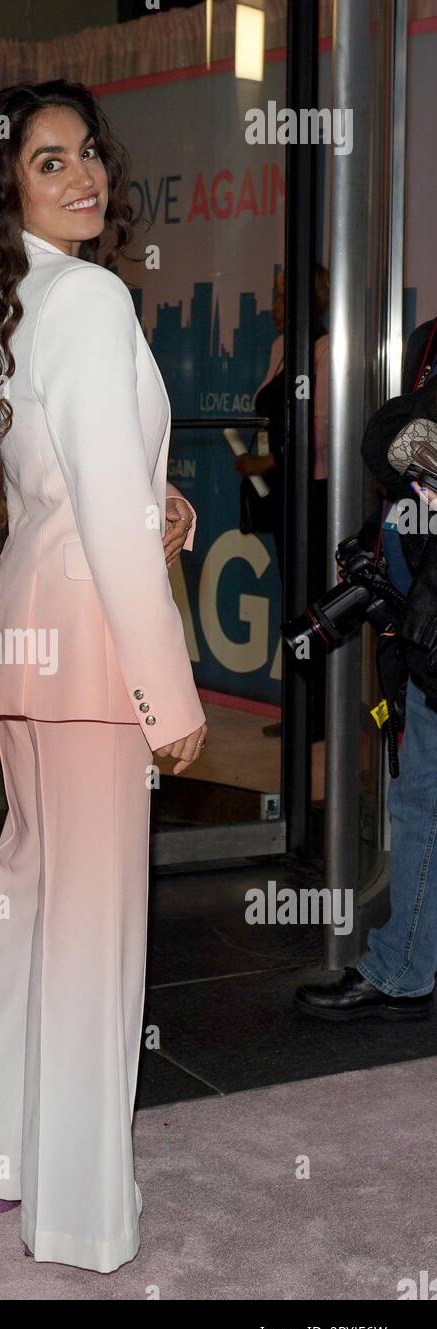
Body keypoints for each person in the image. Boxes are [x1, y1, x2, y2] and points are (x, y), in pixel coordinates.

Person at [0, 79, 207, 1273]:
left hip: (26, 645)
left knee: (21, 915)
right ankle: (76, 1215)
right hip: (87, 664)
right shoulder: (83, 299)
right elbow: (107, 524)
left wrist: (157, 506)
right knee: (89, 939)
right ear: (6, 185)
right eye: (48, 161)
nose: (84, 178)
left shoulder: (3, 302)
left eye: (87, 155)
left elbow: (70, 492)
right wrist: (166, 697)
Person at [295, 314, 437, 1021]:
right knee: (421, 803)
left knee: (422, 804)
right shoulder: (430, 339)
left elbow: (402, 445)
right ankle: (405, 963)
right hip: (424, 633)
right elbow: (393, 457)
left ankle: (404, 965)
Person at [236, 267, 330, 738]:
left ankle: (319, 714)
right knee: (291, 598)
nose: (275, 304)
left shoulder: (326, 351)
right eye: (274, 295)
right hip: (282, 497)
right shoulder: (281, 349)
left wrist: (267, 461)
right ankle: (298, 710)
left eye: (284, 295)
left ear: (310, 300)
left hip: (313, 495)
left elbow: (325, 432)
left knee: (311, 601)